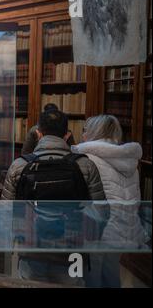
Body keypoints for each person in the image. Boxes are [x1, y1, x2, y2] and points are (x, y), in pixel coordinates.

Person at [2, 109, 106, 286]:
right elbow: (102, 212)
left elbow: (5, 212)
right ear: (67, 135)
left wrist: (17, 239)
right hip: (73, 250)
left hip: (32, 248)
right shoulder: (85, 165)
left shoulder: (20, 165)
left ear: (38, 133)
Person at [72, 115, 149, 287]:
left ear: (93, 132)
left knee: (90, 277)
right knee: (111, 276)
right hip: (124, 229)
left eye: (85, 130)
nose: (83, 134)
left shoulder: (88, 159)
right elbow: (135, 199)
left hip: (98, 228)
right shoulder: (130, 161)